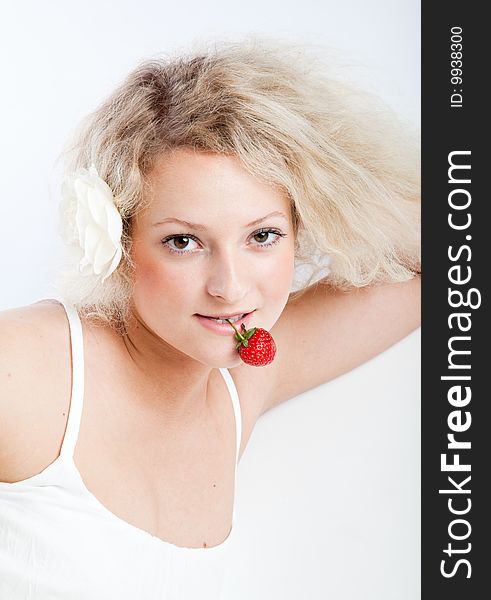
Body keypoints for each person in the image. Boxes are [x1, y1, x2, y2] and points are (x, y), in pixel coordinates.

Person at [0, 38, 420, 599]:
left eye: (263, 236)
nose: (231, 286)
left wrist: (329, 178)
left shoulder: (240, 382)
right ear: (120, 242)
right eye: (183, 241)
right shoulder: (29, 368)